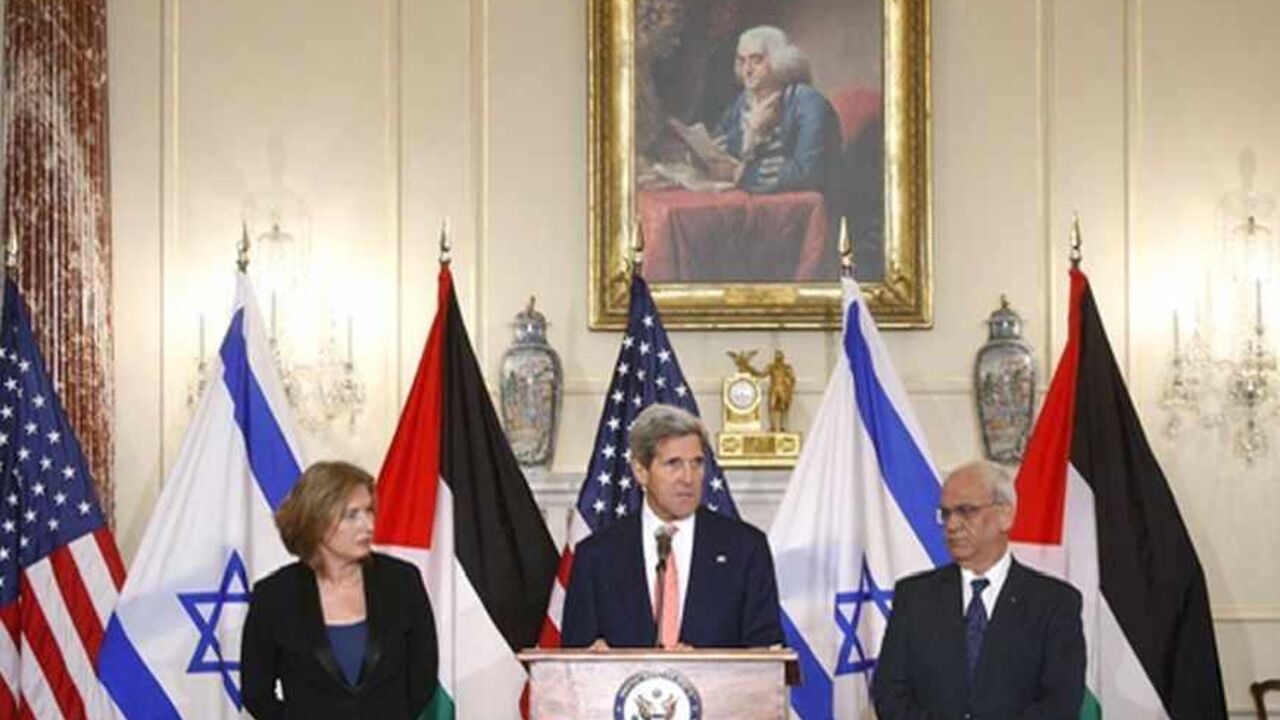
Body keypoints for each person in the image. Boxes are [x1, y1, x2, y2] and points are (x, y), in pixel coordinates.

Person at [872, 461, 1086, 718]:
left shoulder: (1055, 602)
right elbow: (889, 693)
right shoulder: (913, 596)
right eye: (946, 513)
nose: (951, 525)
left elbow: (1060, 702)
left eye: (966, 511)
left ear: (1005, 515)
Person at [560, 404, 784, 649]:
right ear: (640, 471)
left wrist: (702, 667)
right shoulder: (596, 556)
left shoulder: (746, 549)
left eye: (697, 463)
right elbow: (573, 660)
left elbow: (767, 654)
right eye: (674, 464)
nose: (688, 478)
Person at [241, 461, 439, 718]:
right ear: (316, 521)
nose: (368, 525)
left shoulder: (402, 581)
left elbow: (422, 678)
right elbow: (256, 694)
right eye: (352, 515)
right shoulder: (274, 596)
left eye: (369, 511)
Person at [708, 25, 842, 202]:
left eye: (756, 60)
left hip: (801, 210)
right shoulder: (742, 103)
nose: (747, 70)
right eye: (742, 61)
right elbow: (717, 150)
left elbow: (807, 173)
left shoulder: (808, 102)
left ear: (780, 61)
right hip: (754, 205)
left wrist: (741, 174)